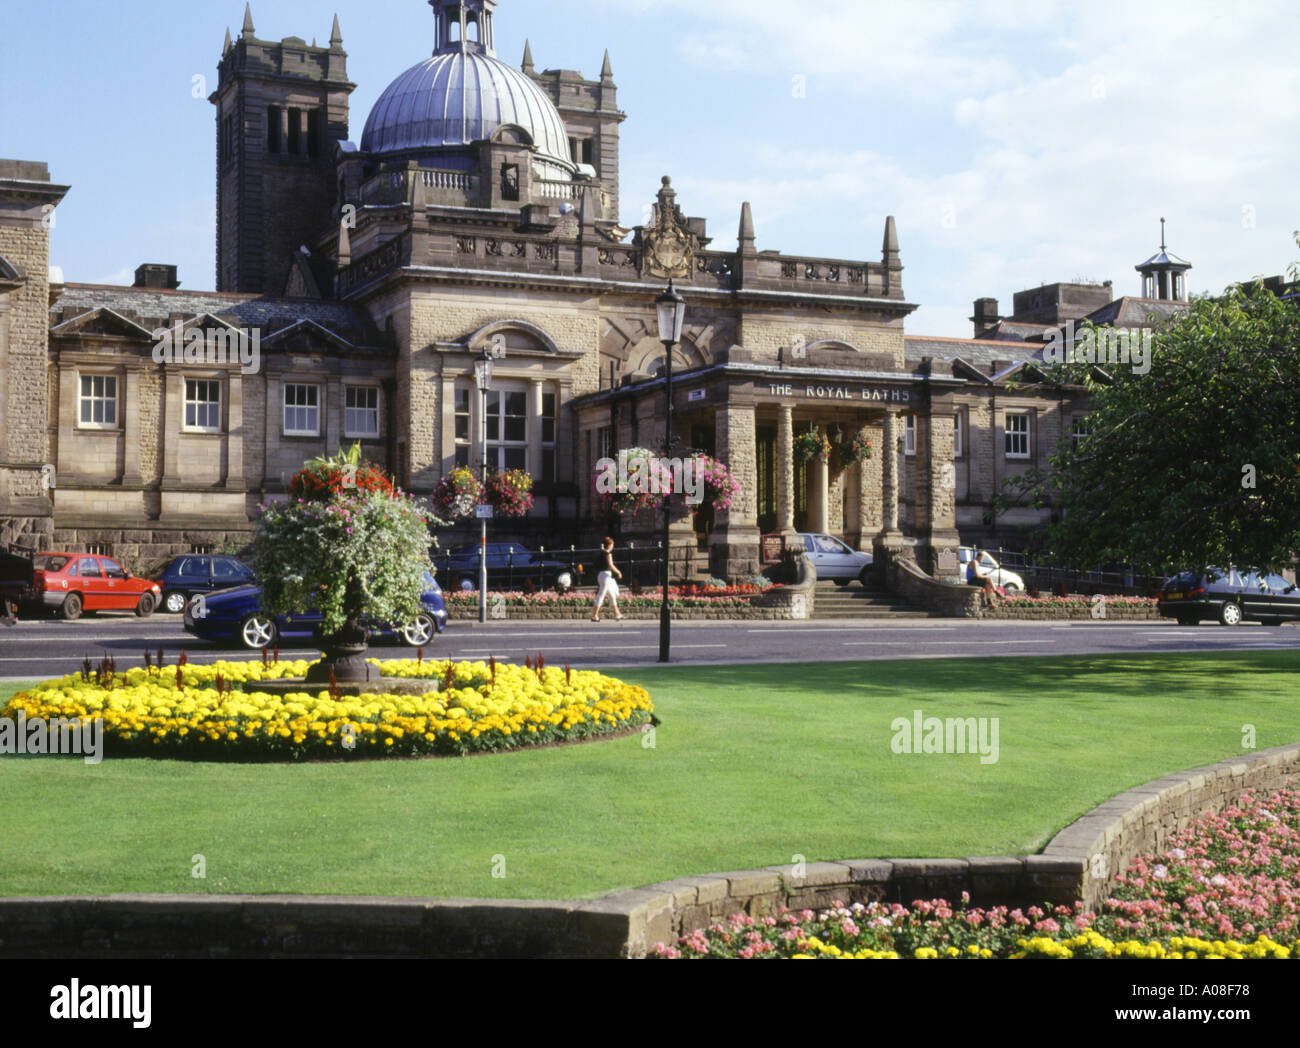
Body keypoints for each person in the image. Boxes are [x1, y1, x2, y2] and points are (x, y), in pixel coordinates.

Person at [592, 537, 623, 622]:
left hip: (601, 575)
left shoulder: (601, 553)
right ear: (609, 545)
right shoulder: (608, 554)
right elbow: (611, 565)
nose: (613, 546)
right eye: (612, 544)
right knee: (601, 595)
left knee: (611, 595)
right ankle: (594, 615)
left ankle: (617, 614)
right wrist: (619, 572)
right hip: (606, 576)